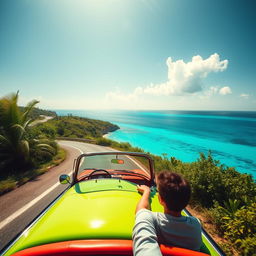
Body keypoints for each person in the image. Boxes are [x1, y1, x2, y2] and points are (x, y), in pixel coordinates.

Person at [132, 171, 202, 256]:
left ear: (160, 199)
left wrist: (147, 191)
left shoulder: (150, 218)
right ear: (186, 203)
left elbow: (141, 210)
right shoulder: (196, 224)